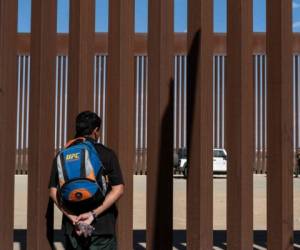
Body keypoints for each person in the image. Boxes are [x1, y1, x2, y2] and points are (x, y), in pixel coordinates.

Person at [49, 111, 124, 250]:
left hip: (73, 227)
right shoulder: (106, 154)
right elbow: (118, 190)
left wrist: (71, 216)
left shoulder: (62, 155)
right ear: (95, 131)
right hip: (102, 227)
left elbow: (53, 192)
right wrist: (92, 214)